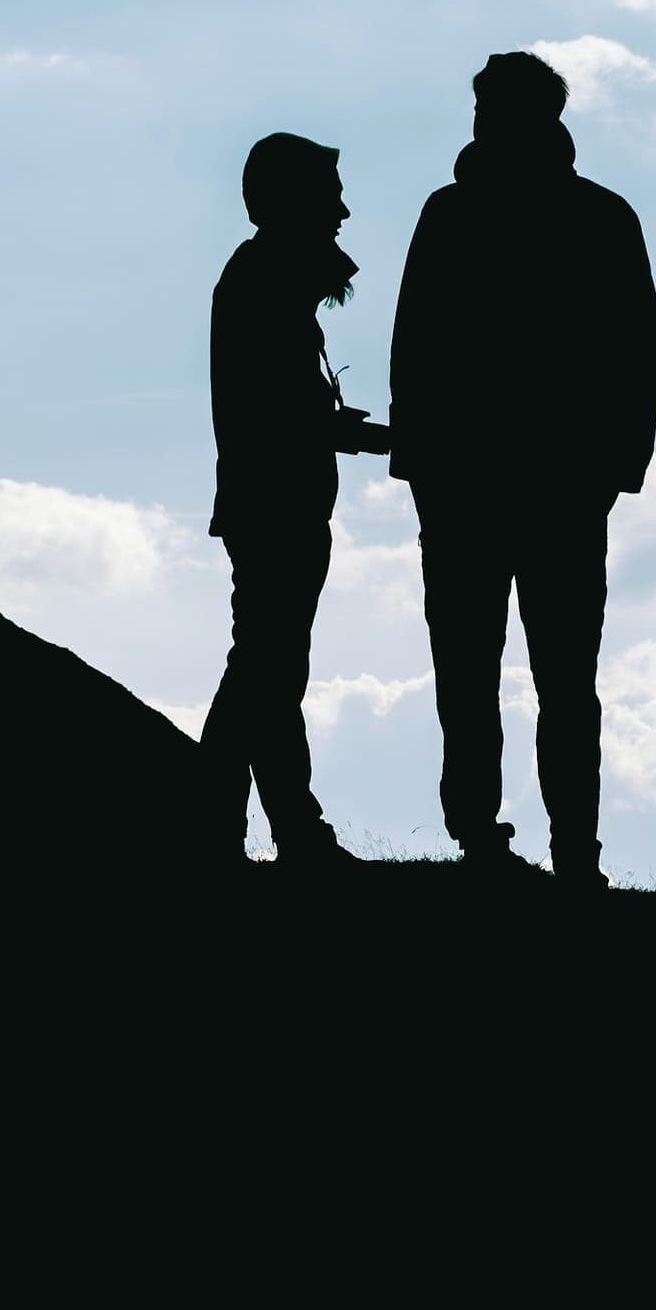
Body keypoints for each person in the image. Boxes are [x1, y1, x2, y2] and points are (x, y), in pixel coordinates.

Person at [387, 53, 656, 884]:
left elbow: (638, 353)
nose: (479, 118)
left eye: (492, 105)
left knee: (550, 679)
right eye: (480, 104)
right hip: (494, 485)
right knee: (486, 675)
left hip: (540, 486)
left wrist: (611, 468)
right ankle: (494, 839)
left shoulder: (588, 218)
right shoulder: (473, 215)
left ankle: (564, 848)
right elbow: (416, 349)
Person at [203, 132, 392, 868]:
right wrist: (377, 441)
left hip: (274, 506)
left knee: (270, 671)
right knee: (264, 673)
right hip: (275, 508)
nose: (343, 211)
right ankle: (244, 827)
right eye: (329, 195)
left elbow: (286, 406)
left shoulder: (264, 278)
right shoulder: (265, 279)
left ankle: (286, 830)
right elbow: (283, 410)